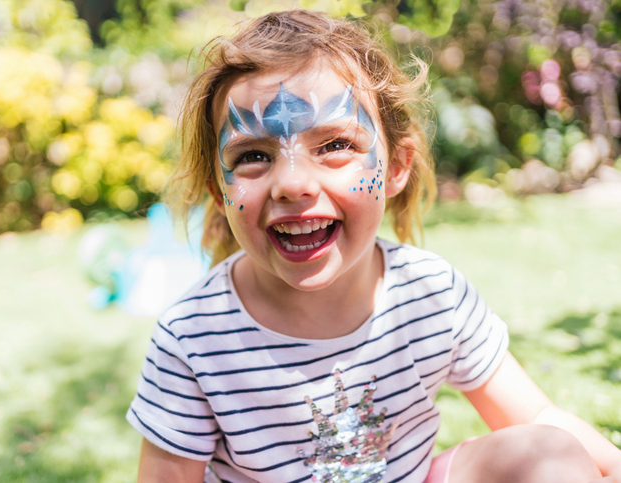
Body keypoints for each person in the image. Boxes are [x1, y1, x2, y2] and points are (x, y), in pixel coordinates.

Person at [127, 9, 621, 483]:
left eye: (335, 145)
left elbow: (534, 415)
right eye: (253, 155)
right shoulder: (193, 338)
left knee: (547, 452)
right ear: (220, 192)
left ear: (397, 168)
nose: (292, 183)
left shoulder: (431, 294)